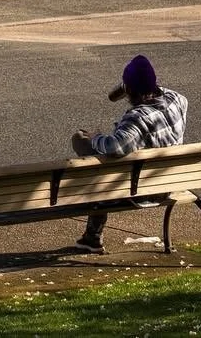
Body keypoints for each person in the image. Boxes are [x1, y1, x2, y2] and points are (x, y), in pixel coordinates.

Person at [69, 54, 188, 254]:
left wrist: (96, 137)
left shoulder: (137, 119)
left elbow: (114, 147)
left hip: (140, 189)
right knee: (116, 163)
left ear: (130, 90)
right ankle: (91, 235)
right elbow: (155, 90)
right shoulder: (178, 100)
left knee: (81, 141)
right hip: (168, 183)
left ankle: (94, 234)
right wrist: (132, 86)